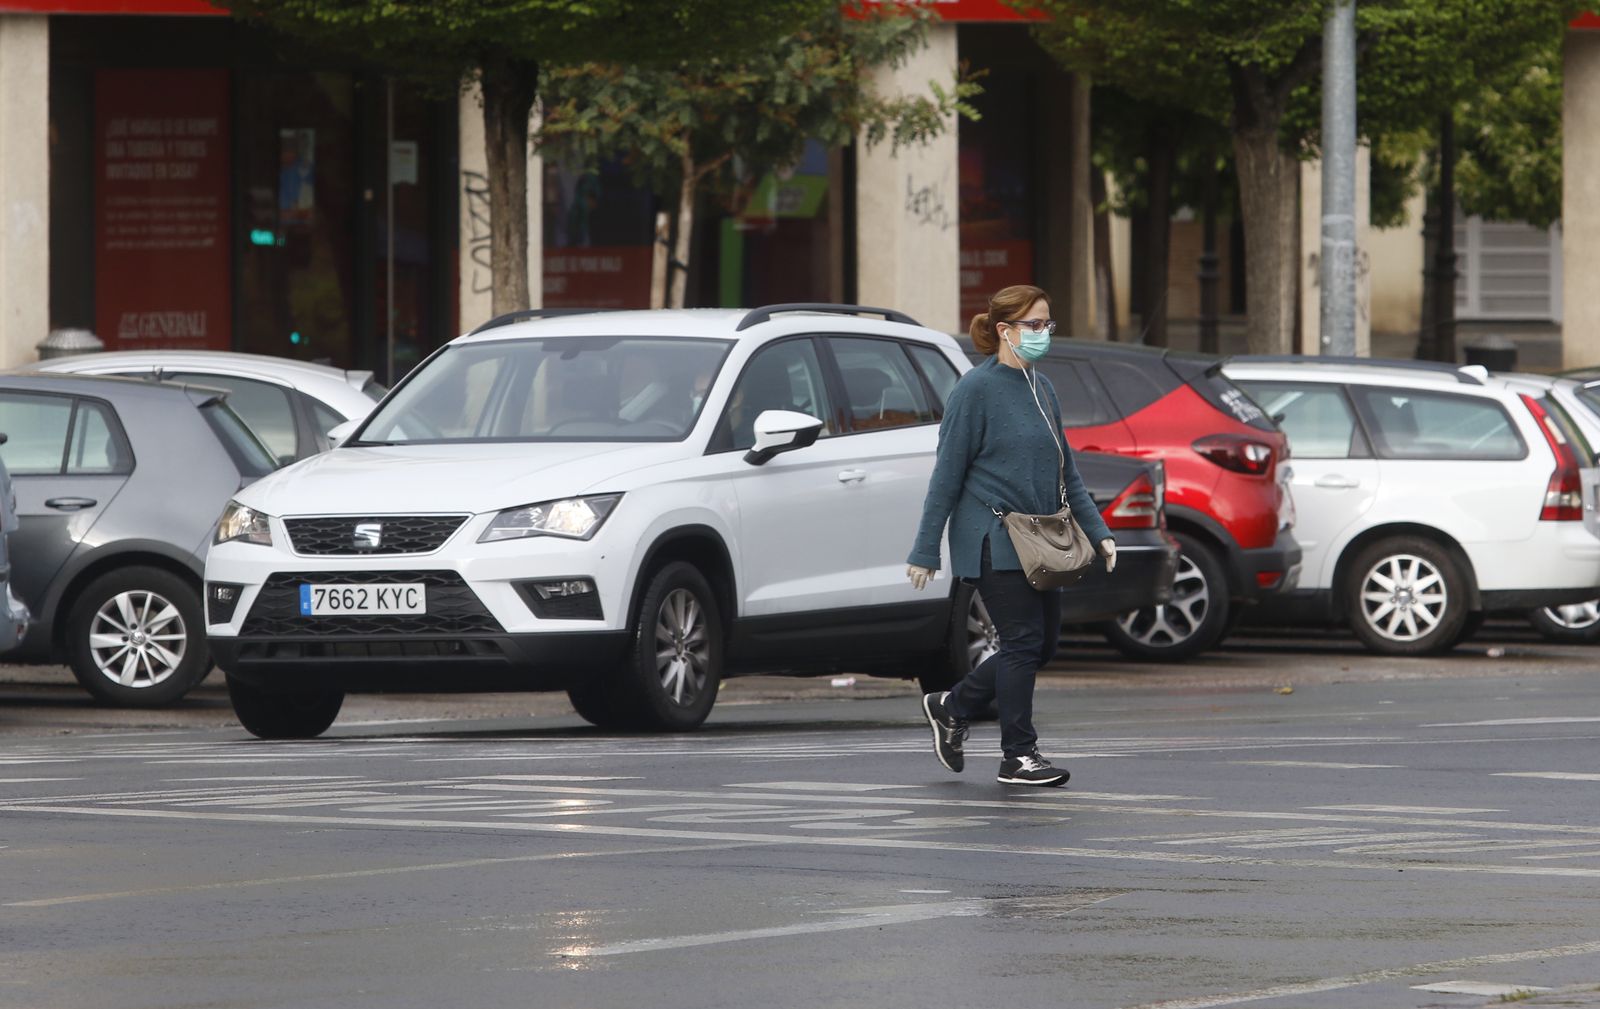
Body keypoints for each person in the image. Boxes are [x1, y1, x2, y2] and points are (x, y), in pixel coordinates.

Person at [906, 284, 1116, 787]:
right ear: (1005, 330)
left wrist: (1100, 533)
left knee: (1040, 647)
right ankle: (1018, 755)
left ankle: (951, 706)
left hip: (1041, 542)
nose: (1045, 333)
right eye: (1035, 325)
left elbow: (1067, 473)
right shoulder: (975, 391)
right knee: (1022, 642)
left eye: (1049, 324)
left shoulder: (1042, 388)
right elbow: (946, 475)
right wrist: (925, 549)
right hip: (992, 539)